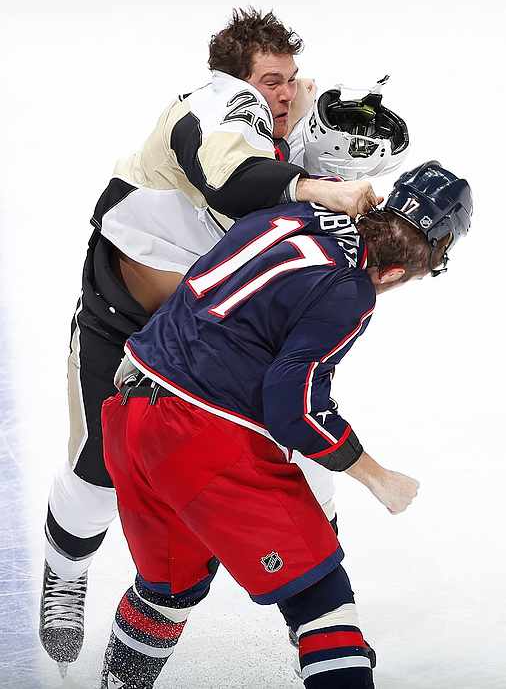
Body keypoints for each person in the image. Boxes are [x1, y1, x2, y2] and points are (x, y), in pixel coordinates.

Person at [38, 6, 407, 676]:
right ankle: (65, 572)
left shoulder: (287, 120)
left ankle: (315, 609)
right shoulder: (220, 103)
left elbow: (328, 155)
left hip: (214, 347)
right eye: (273, 79)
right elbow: (231, 182)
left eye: (292, 78)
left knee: (298, 453)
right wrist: (319, 184)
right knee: (98, 468)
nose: (287, 93)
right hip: (126, 326)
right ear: (236, 78)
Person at [98, 161, 472, 688]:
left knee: (168, 589)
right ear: (394, 272)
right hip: (200, 435)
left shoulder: (299, 213)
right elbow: (291, 407)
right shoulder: (352, 290)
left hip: (131, 416)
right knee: (321, 601)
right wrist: (377, 476)